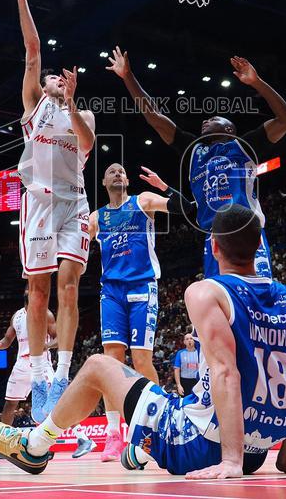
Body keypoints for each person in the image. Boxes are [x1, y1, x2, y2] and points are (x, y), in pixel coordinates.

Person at [0, 205, 286, 479]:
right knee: (179, 398)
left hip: (206, 445)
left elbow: (226, 373)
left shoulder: (208, 292)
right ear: (259, 244)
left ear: (214, 246)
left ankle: (35, 446)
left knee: (99, 365)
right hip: (258, 449)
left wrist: (231, 461)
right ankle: (140, 447)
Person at [106, 47, 286, 281]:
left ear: (229, 128)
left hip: (244, 229)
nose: (206, 120)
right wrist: (128, 77)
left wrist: (257, 82)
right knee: (219, 308)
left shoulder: (243, 146)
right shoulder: (194, 149)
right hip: (213, 237)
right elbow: (154, 117)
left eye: (214, 118)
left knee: (255, 297)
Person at [14, 0, 96, 423]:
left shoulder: (78, 113)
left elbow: (87, 143)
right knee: (38, 292)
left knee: (69, 288)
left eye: (61, 79)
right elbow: (32, 48)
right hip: (39, 203)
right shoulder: (33, 107)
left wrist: (74, 102)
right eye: (52, 78)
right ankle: (40, 374)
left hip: (74, 202)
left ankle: (63, 373)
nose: (56, 80)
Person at [87, 163, 178, 462]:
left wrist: (164, 187)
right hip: (111, 292)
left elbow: (185, 208)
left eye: (121, 172)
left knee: (141, 360)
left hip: (141, 287)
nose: (117, 174)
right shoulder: (97, 218)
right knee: (111, 363)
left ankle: (158, 424)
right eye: (111, 171)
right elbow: (76, 245)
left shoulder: (143, 201)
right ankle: (114, 434)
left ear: (127, 181)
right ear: (103, 182)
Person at [0, 294, 57, 426]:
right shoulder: (17, 316)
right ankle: (4, 437)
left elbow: (59, 339)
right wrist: (0, 344)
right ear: (27, 304)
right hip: (22, 364)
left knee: (56, 399)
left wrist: (46, 346)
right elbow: (8, 340)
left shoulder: (46, 314)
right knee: (10, 403)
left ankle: (81, 437)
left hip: (41, 362)